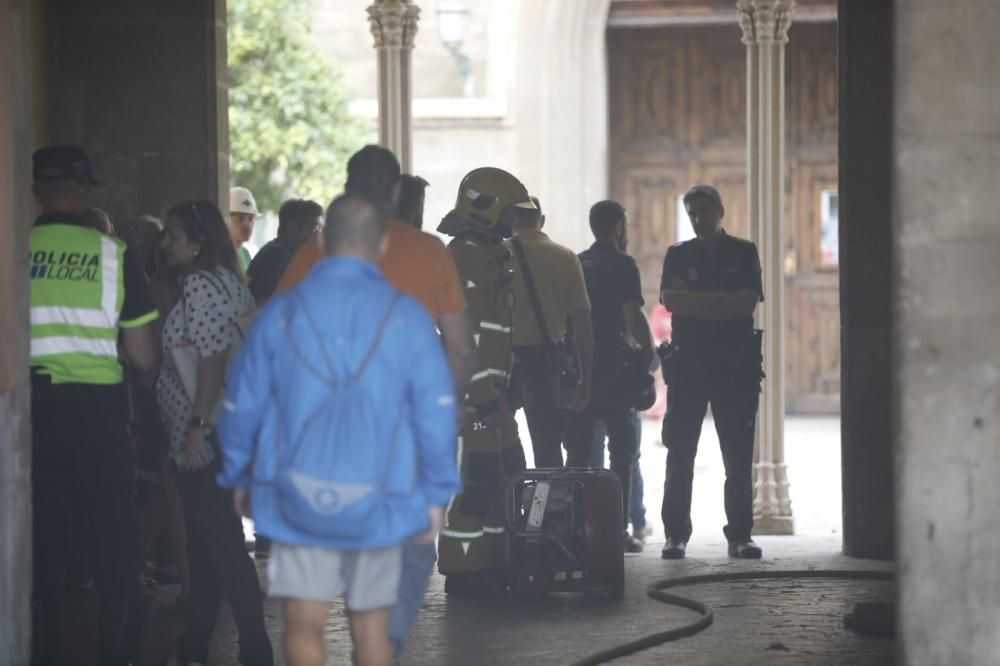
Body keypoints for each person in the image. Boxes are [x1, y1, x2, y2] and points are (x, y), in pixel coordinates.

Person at [217, 194, 460, 666]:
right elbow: (434, 409)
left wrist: (239, 474)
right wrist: (435, 492)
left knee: (303, 622)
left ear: (323, 241)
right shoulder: (406, 317)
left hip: (298, 488)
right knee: (371, 624)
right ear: (382, 244)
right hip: (381, 490)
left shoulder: (280, 315)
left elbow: (243, 401)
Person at [273, 145, 475, 656]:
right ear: (395, 192)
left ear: (346, 185)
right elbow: (458, 347)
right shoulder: (430, 252)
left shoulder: (314, 251)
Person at [28, 145, 159, 665]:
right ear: (84, 191)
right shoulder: (115, 255)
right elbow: (144, 355)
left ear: (36, 189)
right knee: (113, 542)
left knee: (39, 541)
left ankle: (36, 649)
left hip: (31, 417)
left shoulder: (13, 249)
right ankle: (117, 650)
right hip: (100, 417)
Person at [156, 200, 273, 665]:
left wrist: (196, 428)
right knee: (207, 546)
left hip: (208, 436)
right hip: (229, 431)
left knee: (222, 545)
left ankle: (256, 648)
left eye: (173, 235)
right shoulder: (229, 283)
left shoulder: (201, 289)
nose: (166, 244)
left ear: (198, 241)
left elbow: (210, 360)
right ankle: (194, 644)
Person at [436, 167, 535, 596]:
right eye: (511, 214)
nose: (516, 223)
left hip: (496, 401)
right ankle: (463, 572)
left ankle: (494, 563)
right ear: (486, 209)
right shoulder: (463, 256)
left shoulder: (496, 255)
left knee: (508, 477)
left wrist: (510, 387)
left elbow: (498, 332)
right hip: (472, 404)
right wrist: (484, 395)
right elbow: (462, 337)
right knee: (475, 484)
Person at [659, 185, 764, 561]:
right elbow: (672, 301)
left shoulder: (743, 251)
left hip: (734, 365)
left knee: (737, 456)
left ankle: (740, 535)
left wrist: (696, 301)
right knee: (680, 453)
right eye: (693, 213)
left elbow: (747, 303)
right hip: (688, 366)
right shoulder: (678, 254)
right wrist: (722, 300)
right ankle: (674, 536)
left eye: (705, 211)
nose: (699, 219)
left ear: (721, 210)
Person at [565, 200, 653, 554]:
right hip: (616, 368)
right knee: (623, 454)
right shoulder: (623, 265)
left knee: (580, 454)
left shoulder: (577, 263)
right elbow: (632, 315)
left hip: (582, 365)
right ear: (618, 227)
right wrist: (648, 355)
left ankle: (578, 528)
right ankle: (616, 531)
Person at [506, 196, 593, 467]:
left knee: (498, 438)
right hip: (546, 362)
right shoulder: (565, 257)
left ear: (511, 220)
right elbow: (582, 325)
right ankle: (546, 506)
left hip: (502, 360)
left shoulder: (496, 255)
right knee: (547, 448)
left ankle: (511, 499)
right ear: (541, 221)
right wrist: (585, 380)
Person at [590, 411, 652, 542]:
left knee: (594, 463)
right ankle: (637, 524)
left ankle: (596, 525)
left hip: (594, 400)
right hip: (623, 397)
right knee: (628, 460)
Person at [247, 198, 322, 304]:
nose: (317, 233)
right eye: (312, 226)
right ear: (292, 227)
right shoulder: (276, 255)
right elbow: (264, 302)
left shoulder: (288, 254)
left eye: (319, 227)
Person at [229, 185, 259, 272]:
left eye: (251, 218)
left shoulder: (245, 253)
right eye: (240, 218)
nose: (247, 225)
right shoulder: (220, 255)